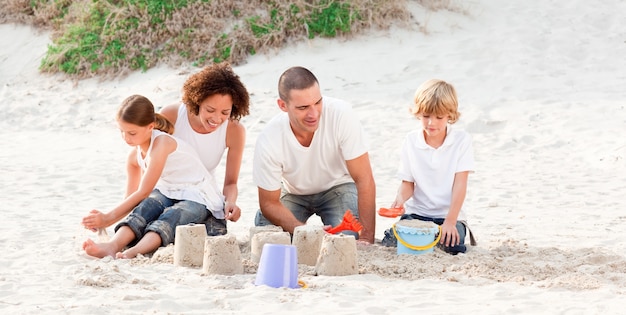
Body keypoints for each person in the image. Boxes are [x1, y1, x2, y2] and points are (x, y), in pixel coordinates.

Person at [81, 95, 225, 259]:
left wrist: (107, 218)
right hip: (168, 192)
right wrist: (104, 220)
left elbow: (143, 190)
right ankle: (113, 245)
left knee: (172, 215)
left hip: (199, 196)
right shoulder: (133, 158)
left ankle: (133, 252)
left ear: (150, 127)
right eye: (122, 132)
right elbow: (132, 199)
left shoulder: (162, 144)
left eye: (132, 133)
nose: (126, 138)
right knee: (146, 207)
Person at [252, 66, 376, 243]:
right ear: (282, 105)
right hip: (294, 193)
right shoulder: (269, 138)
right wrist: (302, 230)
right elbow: (268, 203)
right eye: (303, 107)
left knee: (345, 241)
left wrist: (366, 238)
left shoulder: (341, 114)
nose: (314, 114)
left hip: (338, 187)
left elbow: (364, 179)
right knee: (266, 236)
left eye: (317, 102)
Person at [381, 79, 477, 254]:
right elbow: (408, 184)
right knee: (392, 240)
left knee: (452, 244)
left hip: (448, 216)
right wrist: (400, 200)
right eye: (426, 116)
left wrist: (450, 221)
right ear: (418, 114)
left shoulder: (461, 141)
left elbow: (460, 185)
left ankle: (437, 237)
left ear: (450, 115)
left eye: (439, 117)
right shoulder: (411, 140)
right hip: (417, 214)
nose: (431, 123)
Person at [159, 62, 250, 236]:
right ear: (198, 100)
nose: (217, 118)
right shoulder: (172, 115)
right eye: (210, 110)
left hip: (200, 195)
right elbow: (141, 160)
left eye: (225, 112)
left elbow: (231, 183)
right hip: (165, 190)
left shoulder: (234, 131)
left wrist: (231, 202)